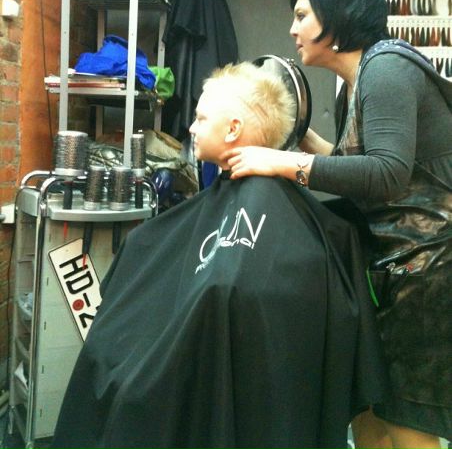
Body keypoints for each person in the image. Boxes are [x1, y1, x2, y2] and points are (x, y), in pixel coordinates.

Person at [50, 62, 386, 449]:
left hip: (197, 391)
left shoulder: (273, 221)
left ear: (232, 130)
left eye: (201, 117)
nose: (191, 128)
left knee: (124, 390)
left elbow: (228, 294)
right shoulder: (271, 208)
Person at [224, 0, 452, 449]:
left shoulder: (387, 69)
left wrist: (280, 163)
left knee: (405, 416)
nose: (293, 29)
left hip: (431, 266)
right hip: (400, 262)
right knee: (371, 405)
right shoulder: (357, 81)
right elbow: (357, 170)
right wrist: (299, 134)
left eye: (302, 16)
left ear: (338, 16)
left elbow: (387, 174)